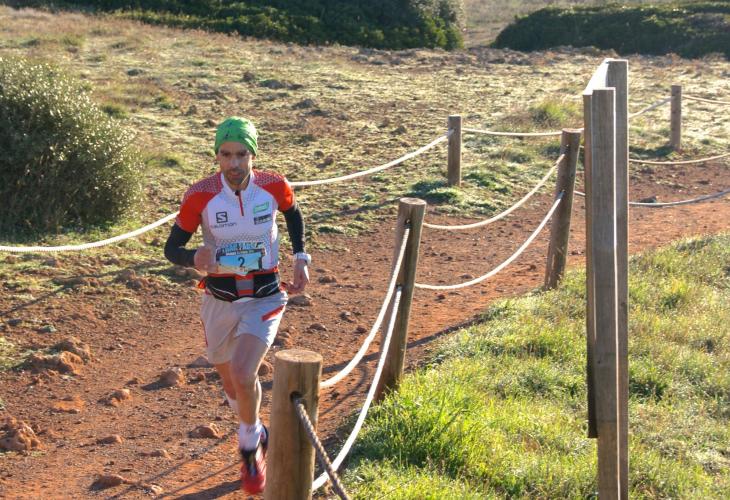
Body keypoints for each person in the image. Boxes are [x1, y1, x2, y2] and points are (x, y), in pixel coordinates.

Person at [163, 117, 310, 494]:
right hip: (219, 299)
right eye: (226, 155)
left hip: (264, 296)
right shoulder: (200, 194)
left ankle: (249, 451)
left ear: (253, 155)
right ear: (217, 156)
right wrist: (193, 257)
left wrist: (300, 257)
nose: (234, 163)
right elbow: (171, 248)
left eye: (242, 154)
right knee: (232, 384)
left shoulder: (273, 185)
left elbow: (293, 213)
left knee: (244, 373)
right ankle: (258, 431)